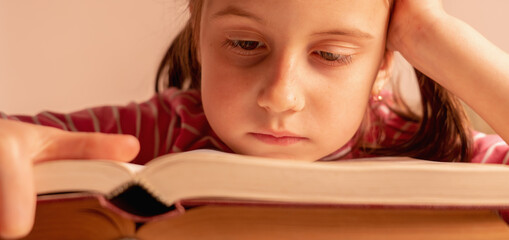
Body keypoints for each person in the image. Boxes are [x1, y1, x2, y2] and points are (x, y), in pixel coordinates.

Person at [2, 0, 509, 238]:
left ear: (382, 66)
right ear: (200, 41)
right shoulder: (163, 131)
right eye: (245, 44)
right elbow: (18, 139)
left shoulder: (434, 149)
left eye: (331, 55)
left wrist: (429, 34)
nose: (280, 97)